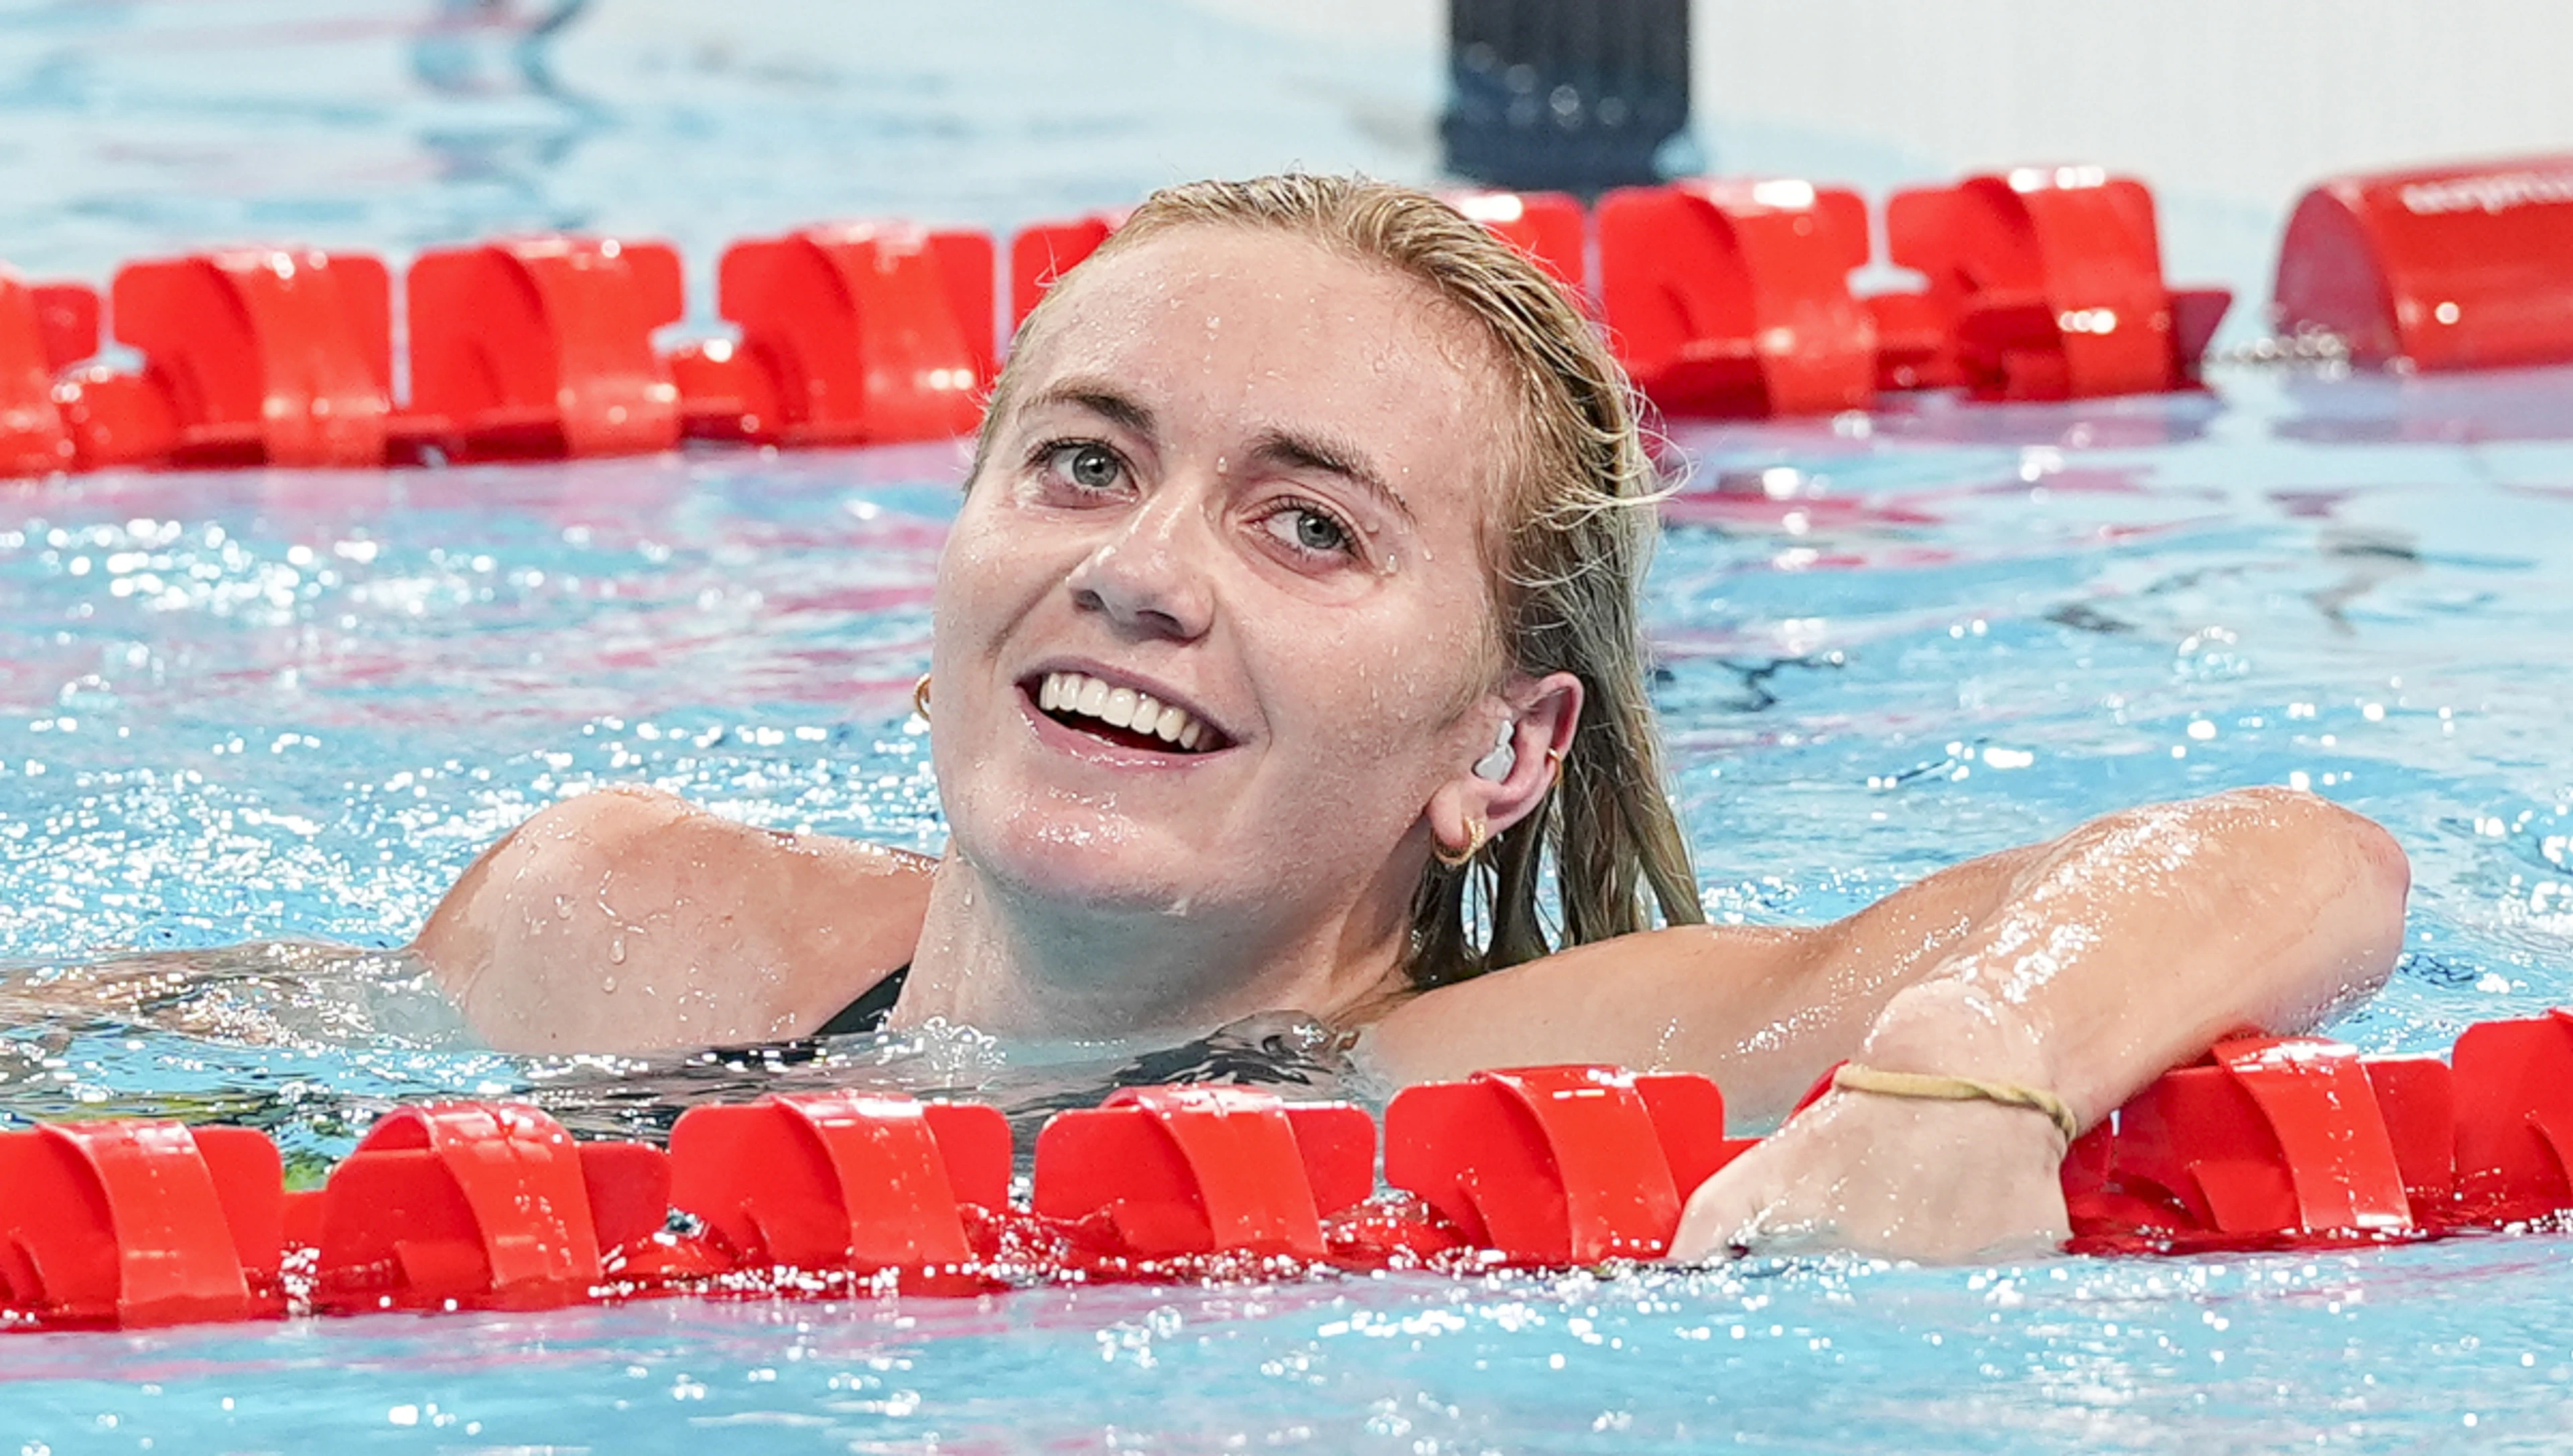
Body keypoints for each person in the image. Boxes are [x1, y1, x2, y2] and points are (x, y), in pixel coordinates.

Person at [412, 174, 2410, 1261]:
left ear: (1502, 751)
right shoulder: (605, 927)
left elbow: (2303, 856)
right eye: (1086, 463)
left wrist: (1982, 1065)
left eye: (1309, 525)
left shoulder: (1510, 1084)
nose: (1145, 571)